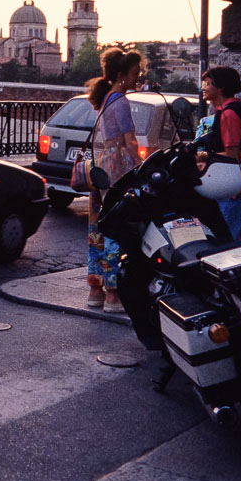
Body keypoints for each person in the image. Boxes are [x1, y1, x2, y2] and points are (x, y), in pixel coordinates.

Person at [83, 48, 144, 313]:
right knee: (115, 228)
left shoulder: (105, 98)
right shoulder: (121, 101)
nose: (137, 78)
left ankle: (95, 290)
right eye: (134, 74)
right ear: (121, 74)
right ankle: (112, 295)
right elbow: (130, 140)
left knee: (97, 228)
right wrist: (141, 165)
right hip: (117, 166)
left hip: (100, 166)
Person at [199, 66, 241, 240]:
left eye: (208, 83)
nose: (203, 87)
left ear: (220, 88)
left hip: (233, 189)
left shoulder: (228, 115)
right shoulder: (230, 111)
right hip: (235, 185)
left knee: (225, 241)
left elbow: (233, 155)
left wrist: (204, 157)